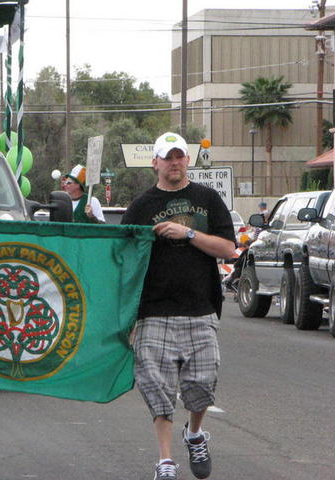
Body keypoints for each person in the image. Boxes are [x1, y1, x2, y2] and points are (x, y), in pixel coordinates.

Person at [122, 132, 235, 480]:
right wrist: (127, 317)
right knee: (157, 385)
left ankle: (195, 434)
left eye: (180, 156)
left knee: (202, 385)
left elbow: (229, 249)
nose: (175, 162)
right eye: (167, 157)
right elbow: (125, 260)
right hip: (154, 310)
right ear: (154, 162)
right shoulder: (140, 207)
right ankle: (165, 461)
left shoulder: (207, 199)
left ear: (187, 160)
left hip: (200, 308)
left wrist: (187, 233)